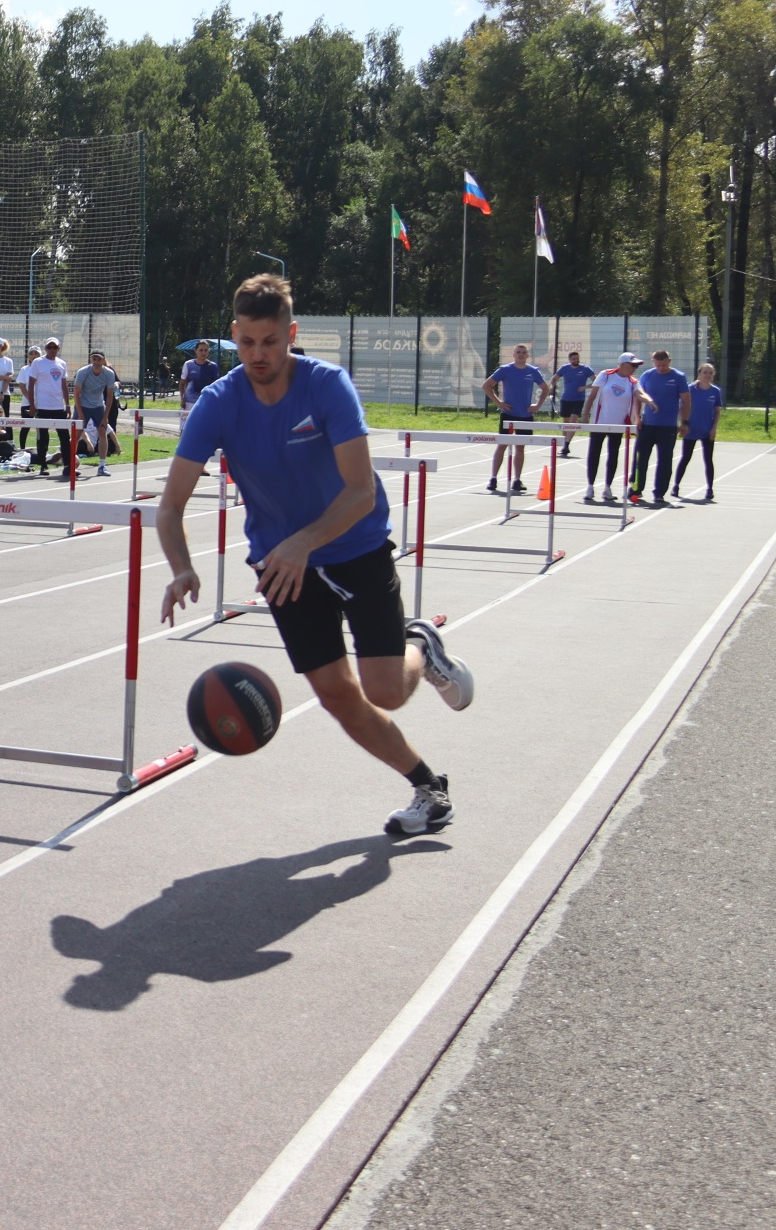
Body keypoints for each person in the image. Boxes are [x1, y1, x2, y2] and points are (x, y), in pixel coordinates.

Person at [157, 274, 472, 838]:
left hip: (354, 547)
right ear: (235, 336)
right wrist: (182, 566)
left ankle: (420, 646)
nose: (258, 355)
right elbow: (170, 505)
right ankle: (430, 788)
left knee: (384, 691)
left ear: (291, 333)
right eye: (248, 342)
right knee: (336, 696)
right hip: (281, 567)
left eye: (270, 342)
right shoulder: (218, 402)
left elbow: (361, 491)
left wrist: (304, 542)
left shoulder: (326, 386)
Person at [484, 343, 549, 492]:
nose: (520, 354)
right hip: (509, 414)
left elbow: (545, 388)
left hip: (525, 415)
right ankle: (493, 478)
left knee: (520, 448)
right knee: (502, 446)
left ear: (527, 355)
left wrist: (537, 406)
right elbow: (487, 385)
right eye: (518, 352)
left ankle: (517, 480)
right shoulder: (505, 370)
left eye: (523, 352)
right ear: (513, 355)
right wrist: (498, 402)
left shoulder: (533, 371)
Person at [581, 353, 641, 505]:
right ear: (622, 364)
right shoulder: (606, 375)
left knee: (613, 455)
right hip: (599, 421)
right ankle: (590, 487)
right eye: (632, 365)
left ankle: (607, 488)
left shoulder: (633, 382)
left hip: (618, 424)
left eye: (636, 366)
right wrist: (585, 415)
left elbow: (639, 397)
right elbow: (592, 396)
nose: (635, 368)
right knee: (594, 453)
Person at [633, 349, 689, 506]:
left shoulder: (678, 377)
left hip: (668, 426)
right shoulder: (647, 375)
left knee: (664, 461)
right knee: (640, 459)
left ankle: (659, 493)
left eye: (663, 365)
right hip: (647, 424)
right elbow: (638, 396)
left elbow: (686, 401)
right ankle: (636, 490)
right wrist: (637, 417)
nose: (661, 369)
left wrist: (684, 423)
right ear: (653, 363)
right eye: (657, 365)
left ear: (669, 361)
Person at [674, 361, 724, 504]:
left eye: (710, 373)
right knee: (685, 458)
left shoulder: (715, 391)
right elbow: (681, 407)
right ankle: (676, 486)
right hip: (691, 429)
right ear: (699, 374)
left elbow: (717, 411)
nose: (707, 375)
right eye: (705, 372)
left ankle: (709, 488)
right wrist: (683, 424)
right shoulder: (690, 389)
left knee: (708, 460)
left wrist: (714, 428)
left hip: (706, 430)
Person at [20, 337, 72, 475]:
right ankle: (43, 465)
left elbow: (64, 385)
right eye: (49, 347)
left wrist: (67, 404)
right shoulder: (38, 363)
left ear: (59, 349)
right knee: (42, 437)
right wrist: (32, 404)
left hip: (58, 406)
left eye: (55, 347)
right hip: (42, 406)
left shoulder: (61, 363)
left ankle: (68, 466)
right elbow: (31, 385)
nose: (52, 350)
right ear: (45, 349)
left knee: (65, 437)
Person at [74, 348, 121, 477]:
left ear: (103, 361)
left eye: (99, 359)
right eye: (94, 359)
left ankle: (102, 465)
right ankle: (70, 464)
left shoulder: (109, 374)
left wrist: (105, 417)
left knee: (102, 432)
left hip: (98, 406)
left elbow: (110, 396)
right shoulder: (83, 372)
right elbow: (76, 393)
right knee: (76, 434)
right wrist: (80, 413)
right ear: (91, 360)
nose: (96, 361)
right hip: (82, 405)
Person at [554, 348, 596, 453]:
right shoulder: (564, 368)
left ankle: (567, 445)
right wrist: (552, 387)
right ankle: (564, 443)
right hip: (566, 399)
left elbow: (596, 382)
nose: (575, 360)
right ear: (569, 360)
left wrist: (585, 387)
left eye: (577, 358)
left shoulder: (585, 369)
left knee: (573, 421)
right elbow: (554, 378)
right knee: (566, 422)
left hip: (578, 400)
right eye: (573, 359)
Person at [179, 339, 224, 408]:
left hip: (206, 403)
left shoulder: (213, 366)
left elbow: (216, 387)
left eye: (206, 350)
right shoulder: (188, 364)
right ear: (195, 351)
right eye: (201, 350)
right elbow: (182, 384)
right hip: (189, 403)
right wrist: (182, 399)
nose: (203, 353)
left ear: (209, 352)